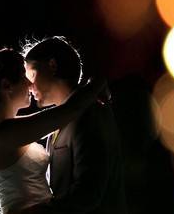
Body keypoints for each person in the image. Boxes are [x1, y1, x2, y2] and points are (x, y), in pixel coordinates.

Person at [0, 48, 105, 214]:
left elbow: (59, 117)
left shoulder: (7, 128)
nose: (30, 83)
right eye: (23, 76)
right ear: (6, 86)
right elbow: (69, 110)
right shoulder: (3, 133)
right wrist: (98, 82)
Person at [23, 36, 127, 214]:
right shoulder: (57, 122)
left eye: (32, 74)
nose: (29, 86)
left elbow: (89, 191)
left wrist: (39, 211)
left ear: (52, 66)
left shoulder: (89, 113)